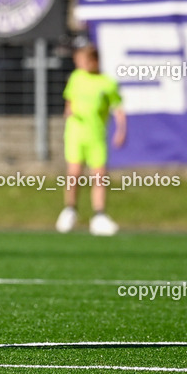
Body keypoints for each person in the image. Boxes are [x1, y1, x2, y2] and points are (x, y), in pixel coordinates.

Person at [56, 44, 127, 237]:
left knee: (99, 177)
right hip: (75, 134)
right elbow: (69, 100)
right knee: (73, 174)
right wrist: (68, 110)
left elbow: (118, 108)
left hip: (96, 136)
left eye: (83, 60)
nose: (79, 64)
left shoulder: (107, 83)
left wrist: (121, 130)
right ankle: (70, 210)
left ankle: (99, 216)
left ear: (94, 61)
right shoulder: (76, 78)